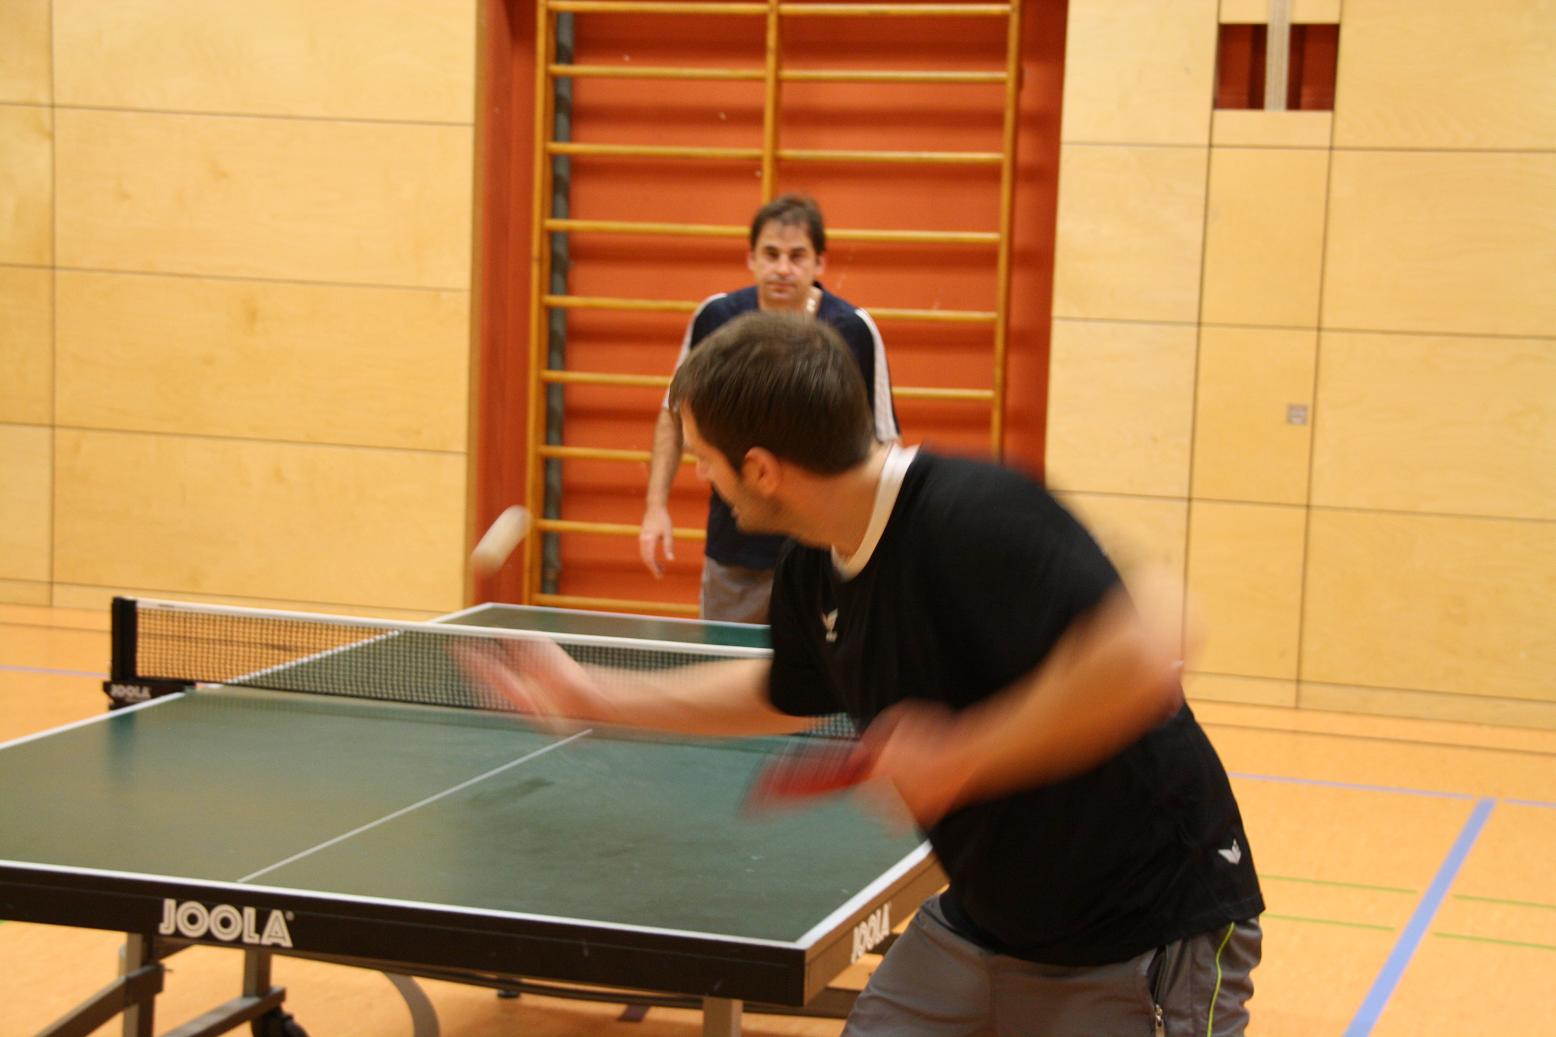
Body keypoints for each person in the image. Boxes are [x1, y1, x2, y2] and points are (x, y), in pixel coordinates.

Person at [468, 312, 1264, 1035]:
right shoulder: (812, 565)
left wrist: (966, 752)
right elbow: (783, 692)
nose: (701, 479)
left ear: (761, 468)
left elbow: (1155, 637)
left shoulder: (969, 512)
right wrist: (596, 694)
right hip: (989, 919)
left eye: (705, 462)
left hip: (1144, 925)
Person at [639, 194, 900, 623]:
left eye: (797, 256)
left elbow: (885, 443)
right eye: (771, 254)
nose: (782, 268)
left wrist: (879, 546)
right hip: (736, 552)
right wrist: (655, 508)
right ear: (751, 258)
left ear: (819, 263)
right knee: (726, 663)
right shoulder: (716, 317)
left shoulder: (853, 329)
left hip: (826, 553)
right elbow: (673, 416)